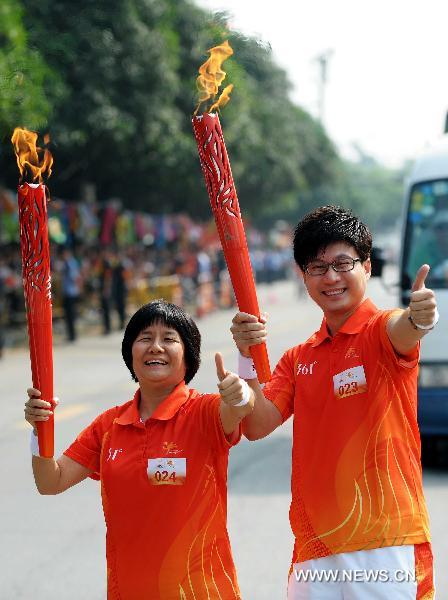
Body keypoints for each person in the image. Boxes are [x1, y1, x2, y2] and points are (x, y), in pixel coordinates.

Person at [231, 206, 438, 599]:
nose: (331, 277)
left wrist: (420, 318)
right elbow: (256, 425)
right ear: (303, 275)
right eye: (317, 267)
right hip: (316, 546)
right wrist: (246, 357)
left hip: (384, 541)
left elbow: (405, 329)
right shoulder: (298, 358)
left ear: (368, 267)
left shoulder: (381, 331)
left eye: (343, 263)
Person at [25, 300, 253, 599]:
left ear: (188, 356)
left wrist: (241, 393)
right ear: (130, 352)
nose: (155, 347)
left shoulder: (203, 412)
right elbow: (50, 482)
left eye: (169, 339)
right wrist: (38, 430)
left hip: (200, 591)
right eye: (145, 338)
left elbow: (238, 409)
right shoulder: (109, 425)